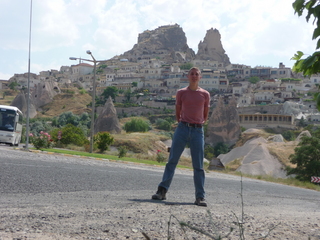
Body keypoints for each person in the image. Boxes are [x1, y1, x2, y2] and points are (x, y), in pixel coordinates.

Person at [151, 67, 210, 207]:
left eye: (197, 74)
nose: (194, 76)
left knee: (199, 166)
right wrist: (183, 123)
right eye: (192, 74)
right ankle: (162, 191)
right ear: (187, 76)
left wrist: (198, 124)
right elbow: (178, 112)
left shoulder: (205, 94)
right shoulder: (181, 93)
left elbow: (205, 113)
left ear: (200, 77)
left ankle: (200, 197)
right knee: (172, 161)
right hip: (182, 128)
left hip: (198, 130)